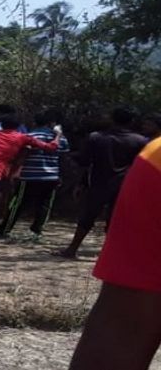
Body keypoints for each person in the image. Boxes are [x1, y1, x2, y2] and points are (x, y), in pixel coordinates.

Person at [68, 137, 161, 370]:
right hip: (121, 187)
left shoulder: (153, 158)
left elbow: (121, 335)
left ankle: (73, 248)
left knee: (90, 219)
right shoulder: (149, 154)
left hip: (110, 187)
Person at [56, 107, 148, 259]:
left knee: (87, 217)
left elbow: (84, 160)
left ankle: (72, 249)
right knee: (115, 219)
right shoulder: (140, 140)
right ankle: (111, 253)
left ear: (112, 119)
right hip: (124, 184)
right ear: (132, 121)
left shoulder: (96, 137)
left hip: (99, 182)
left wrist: (71, 159)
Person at [0, 111, 70, 240]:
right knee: (45, 205)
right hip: (50, 176)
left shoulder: (29, 135)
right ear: (52, 123)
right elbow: (63, 156)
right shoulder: (60, 138)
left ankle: (4, 229)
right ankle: (37, 231)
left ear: (35, 122)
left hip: (29, 176)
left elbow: (21, 155)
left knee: (17, 204)